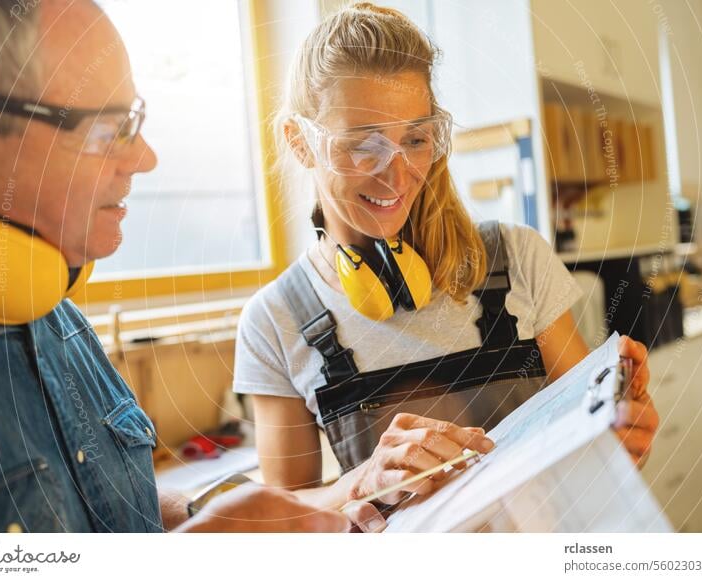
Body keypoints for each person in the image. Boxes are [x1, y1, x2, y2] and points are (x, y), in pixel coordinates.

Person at [0, 0, 371, 533]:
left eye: (132, 120)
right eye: (102, 129)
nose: (144, 158)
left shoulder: (44, 305)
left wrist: (207, 513)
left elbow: (91, 503)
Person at [232, 2, 658, 513]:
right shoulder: (275, 320)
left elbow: (592, 438)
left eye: (414, 139)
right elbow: (285, 520)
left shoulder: (515, 257)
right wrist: (361, 482)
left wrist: (619, 433)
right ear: (300, 143)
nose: (397, 176)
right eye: (361, 145)